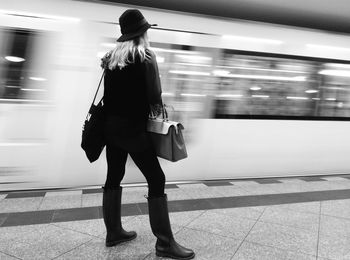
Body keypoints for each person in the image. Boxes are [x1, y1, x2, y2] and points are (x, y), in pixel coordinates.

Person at [100, 9, 195, 260]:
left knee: (114, 175)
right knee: (156, 178)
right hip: (133, 130)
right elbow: (155, 96)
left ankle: (114, 233)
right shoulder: (146, 56)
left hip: (111, 129)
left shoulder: (111, 57)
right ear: (142, 33)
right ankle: (164, 243)